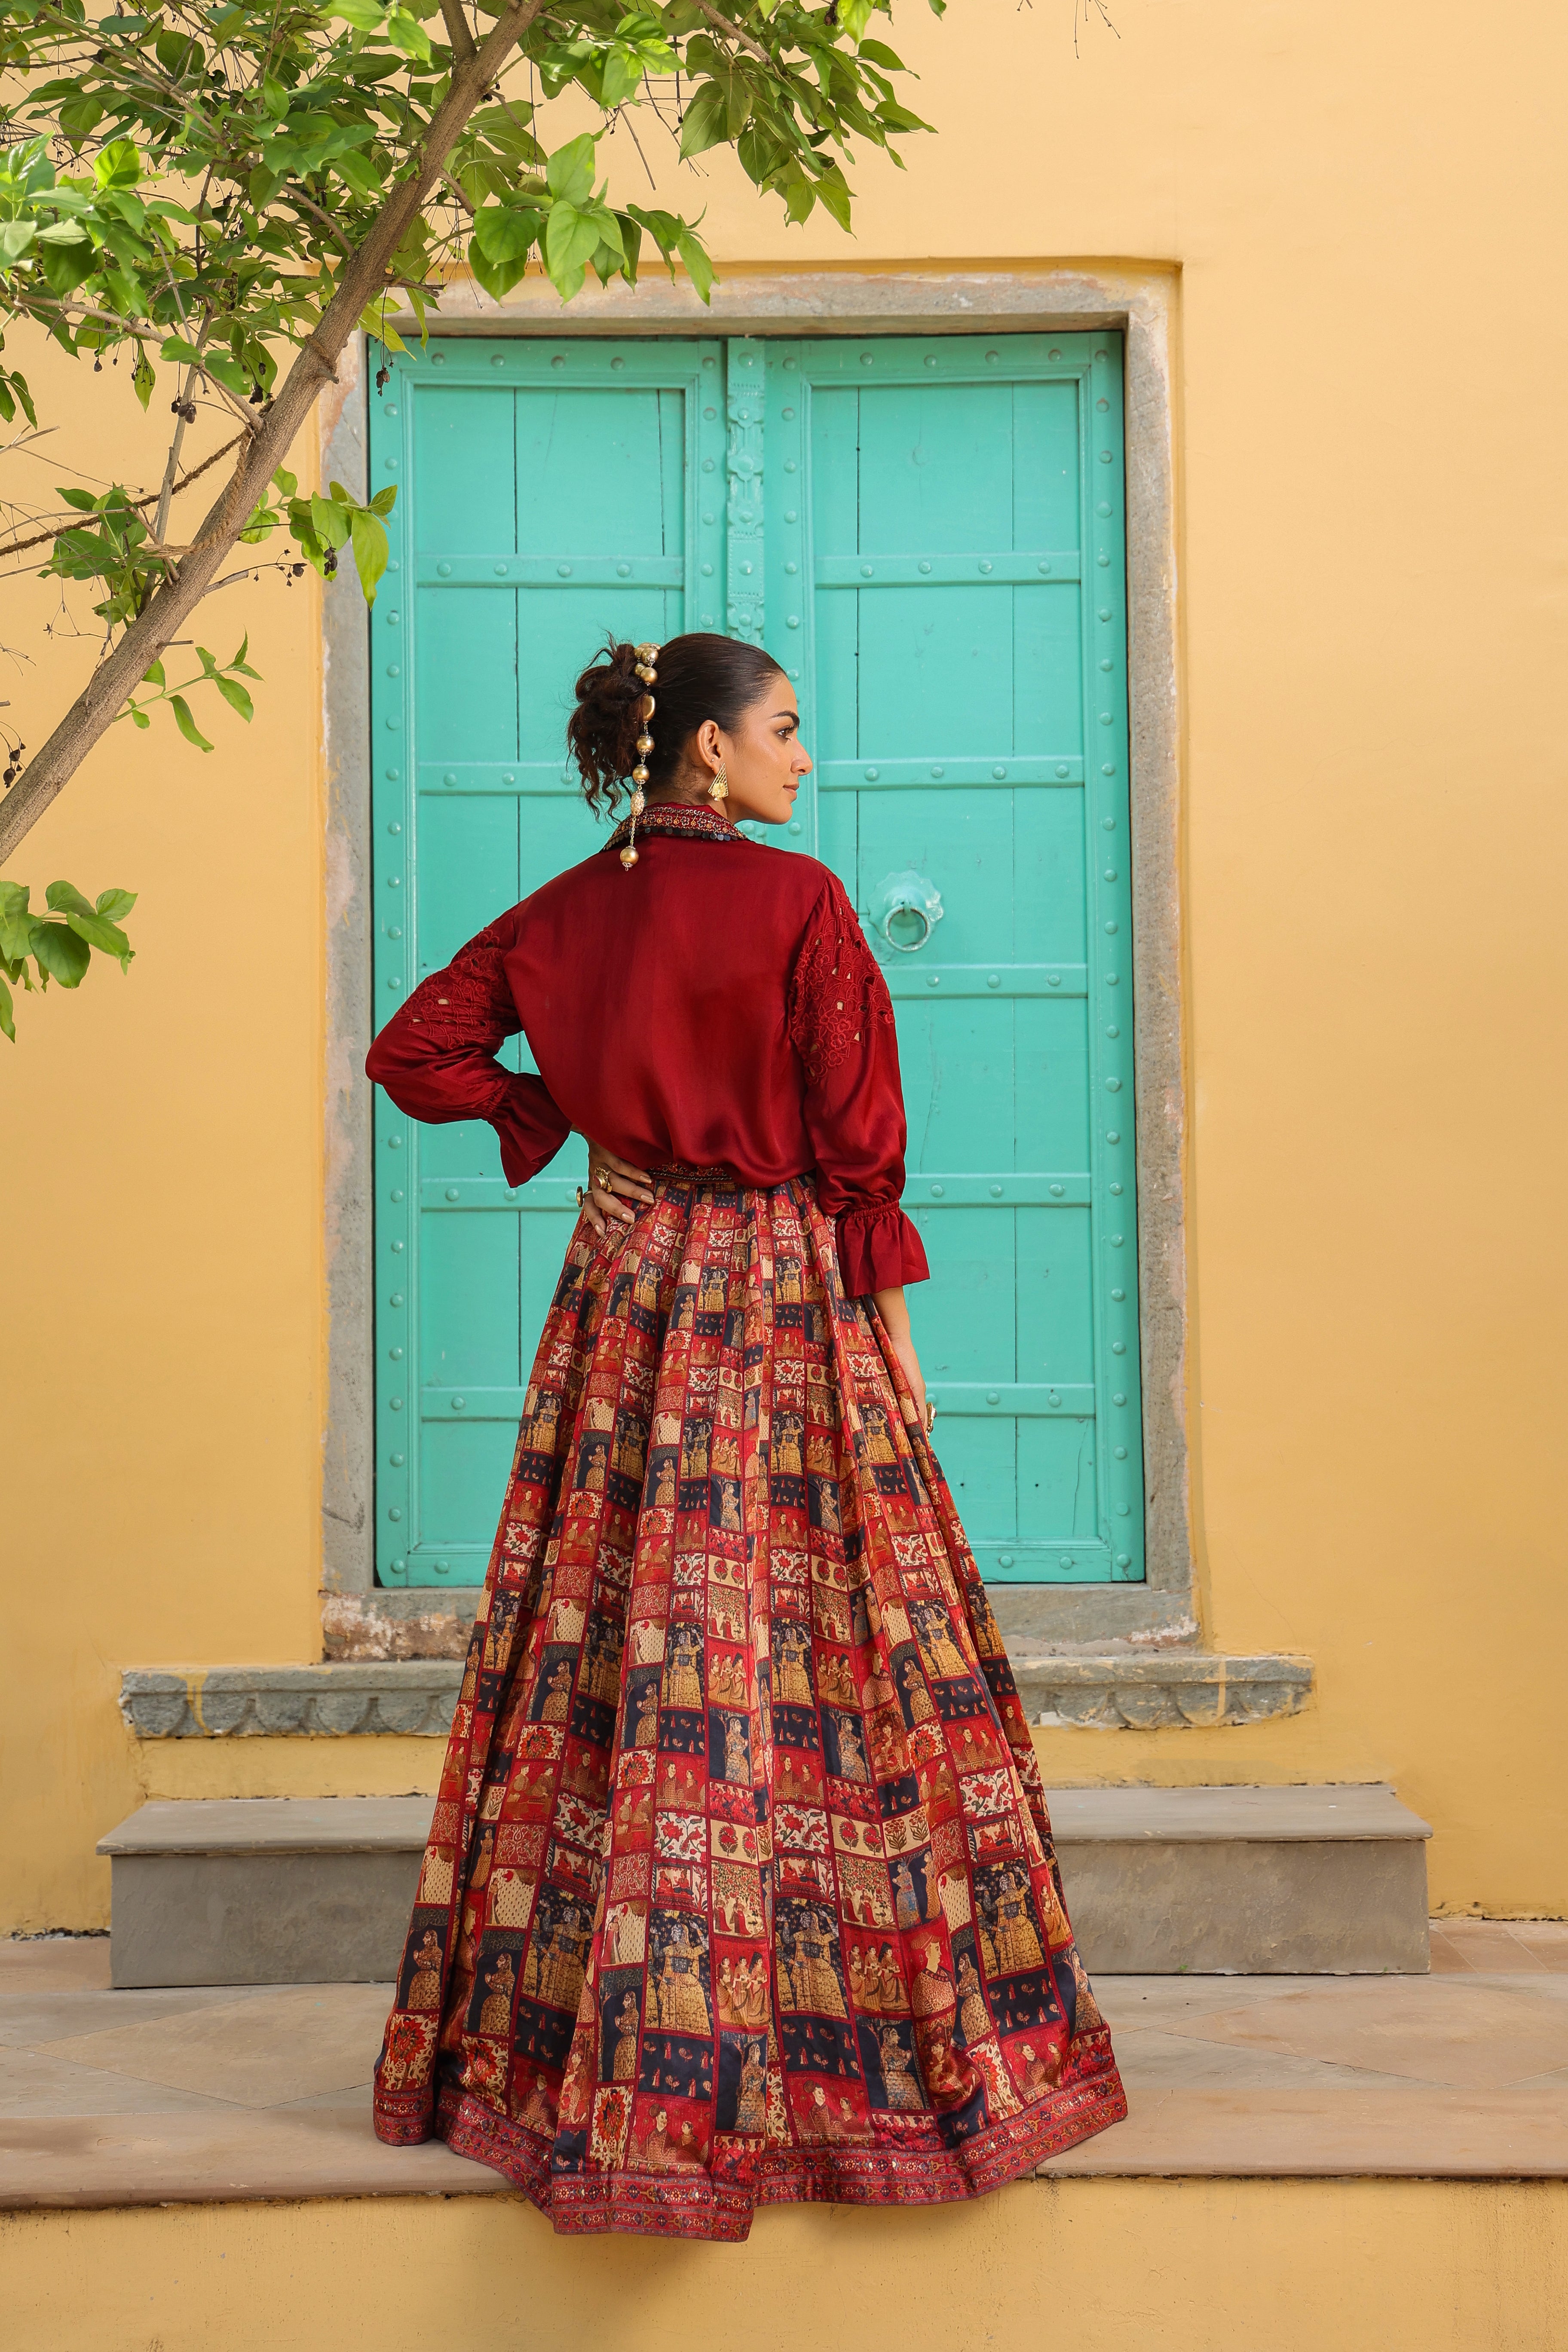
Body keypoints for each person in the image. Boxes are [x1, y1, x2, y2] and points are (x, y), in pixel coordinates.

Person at [367, 631, 1125, 2239]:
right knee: (836, 1636)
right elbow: (859, 1143)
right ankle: (845, 2056)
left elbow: (412, 1051)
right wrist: (898, 1338)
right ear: (705, 750)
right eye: (785, 731)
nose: (805, 760)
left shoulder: (564, 911)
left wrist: (550, 1123)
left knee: (612, 1629)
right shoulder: (799, 905)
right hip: (783, 1289)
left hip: (628, 1291)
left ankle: (567, 2057)